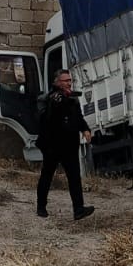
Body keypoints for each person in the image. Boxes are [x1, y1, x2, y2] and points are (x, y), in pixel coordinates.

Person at [36, 69, 94, 220]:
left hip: (69, 145)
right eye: (65, 80)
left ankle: (78, 209)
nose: (69, 83)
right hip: (52, 145)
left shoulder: (72, 99)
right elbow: (46, 119)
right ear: (57, 82)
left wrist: (85, 130)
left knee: (74, 177)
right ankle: (41, 207)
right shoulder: (48, 98)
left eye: (70, 80)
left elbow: (78, 118)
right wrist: (58, 100)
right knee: (47, 176)